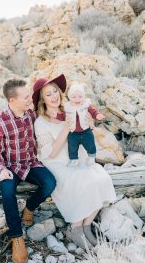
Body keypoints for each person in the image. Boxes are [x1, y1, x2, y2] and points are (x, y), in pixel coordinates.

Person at [32, 74, 117, 249]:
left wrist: (90, 123)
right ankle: (75, 228)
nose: (54, 96)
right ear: (42, 100)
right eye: (48, 94)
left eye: (55, 91)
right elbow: (51, 153)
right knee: (81, 182)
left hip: (76, 157)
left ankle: (86, 225)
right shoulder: (41, 122)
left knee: (102, 179)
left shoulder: (69, 110)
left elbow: (85, 132)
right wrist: (65, 128)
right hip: (56, 163)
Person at [0, 79, 57, 263]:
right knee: (7, 191)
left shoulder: (31, 115)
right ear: (12, 100)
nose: (30, 99)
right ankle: (16, 236)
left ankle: (30, 207)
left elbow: (50, 119)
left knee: (50, 183)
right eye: (26, 97)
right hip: (10, 166)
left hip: (31, 163)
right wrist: (1, 169)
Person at [48, 82, 105, 167]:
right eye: (73, 97)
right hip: (73, 132)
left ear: (84, 97)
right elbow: (63, 116)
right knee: (72, 146)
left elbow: (93, 111)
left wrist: (97, 115)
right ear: (70, 97)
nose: (77, 99)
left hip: (86, 130)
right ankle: (74, 159)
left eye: (80, 97)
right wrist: (56, 115)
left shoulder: (86, 105)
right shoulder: (68, 107)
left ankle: (91, 156)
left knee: (90, 143)